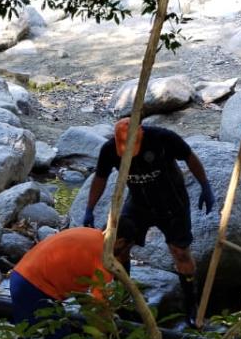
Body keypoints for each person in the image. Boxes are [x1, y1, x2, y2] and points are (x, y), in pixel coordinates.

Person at [80, 117, 214, 324]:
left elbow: (189, 156)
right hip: (138, 203)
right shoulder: (109, 150)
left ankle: (191, 304)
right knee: (118, 246)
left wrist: (205, 186)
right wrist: (89, 208)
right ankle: (125, 301)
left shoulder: (162, 138)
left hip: (172, 203)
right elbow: (100, 177)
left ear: (140, 135)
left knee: (180, 252)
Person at [9, 221, 139, 339]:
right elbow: (99, 309)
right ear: (120, 242)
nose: (127, 256)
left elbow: (82, 296)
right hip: (34, 288)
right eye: (129, 249)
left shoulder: (89, 233)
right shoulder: (104, 259)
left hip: (21, 277)